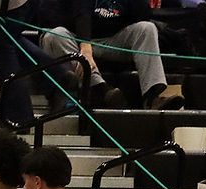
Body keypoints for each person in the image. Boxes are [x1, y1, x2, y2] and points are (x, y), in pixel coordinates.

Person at [36, 0, 185, 109]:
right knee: (53, 35)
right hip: (75, 40)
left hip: (112, 41)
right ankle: (102, 90)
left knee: (147, 28)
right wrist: (85, 46)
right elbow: (81, 13)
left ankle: (152, 96)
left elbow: (142, 16)